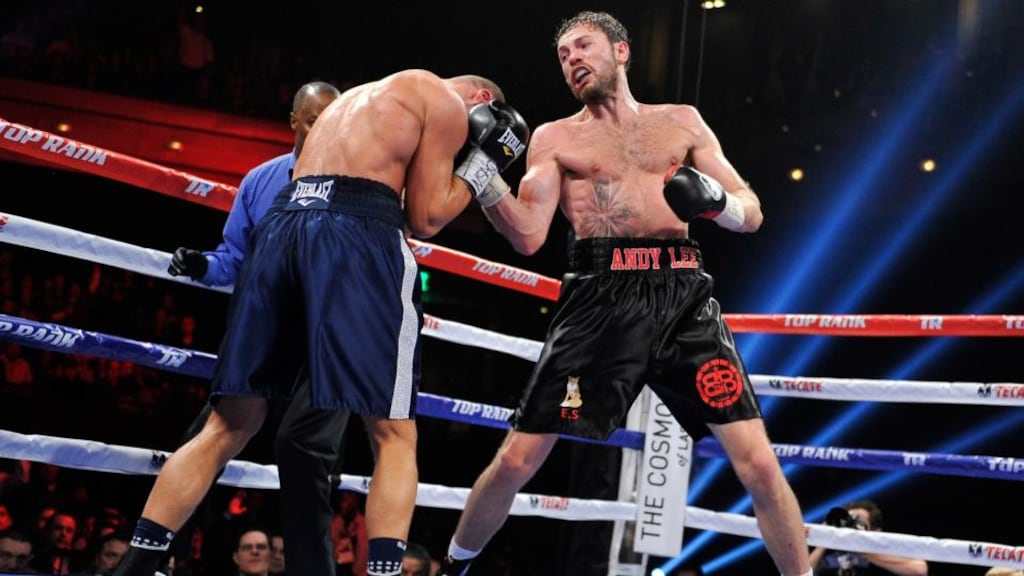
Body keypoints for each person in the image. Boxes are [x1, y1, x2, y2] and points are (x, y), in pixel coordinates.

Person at [439, 11, 812, 576]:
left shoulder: (682, 122)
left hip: (682, 297)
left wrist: (717, 205)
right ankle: (453, 567)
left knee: (759, 464)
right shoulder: (554, 138)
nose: (572, 61)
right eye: (563, 56)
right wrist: (484, 173)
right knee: (518, 458)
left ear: (621, 52)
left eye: (582, 47)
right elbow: (528, 233)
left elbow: (751, 212)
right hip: (598, 298)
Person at [116, 68, 529, 576]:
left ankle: (135, 564)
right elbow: (425, 217)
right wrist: (483, 163)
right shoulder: (442, 100)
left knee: (229, 423)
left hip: (283, 224)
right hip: (354, 234)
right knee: (393, 434)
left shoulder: (355, 97)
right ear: (481, 100)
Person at [165, 79, 349, 576]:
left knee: (310, 462)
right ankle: (167, 560)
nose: (323, 129)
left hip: (322, 345)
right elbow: (232, 258)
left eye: (333, 120)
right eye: (314, 120)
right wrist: (201, 266)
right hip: (264, 337)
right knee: (202, 440)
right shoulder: (260, 180)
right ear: (294, 121)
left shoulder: (358, 184)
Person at [811, 500, 927, 576]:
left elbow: (919, 570)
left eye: (858, 522)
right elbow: (799, 573)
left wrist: (865, 552)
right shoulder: (830, 555)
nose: (852, 526)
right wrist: (825, 537)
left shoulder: (884, 554)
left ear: (875, 531)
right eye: (850, 521)